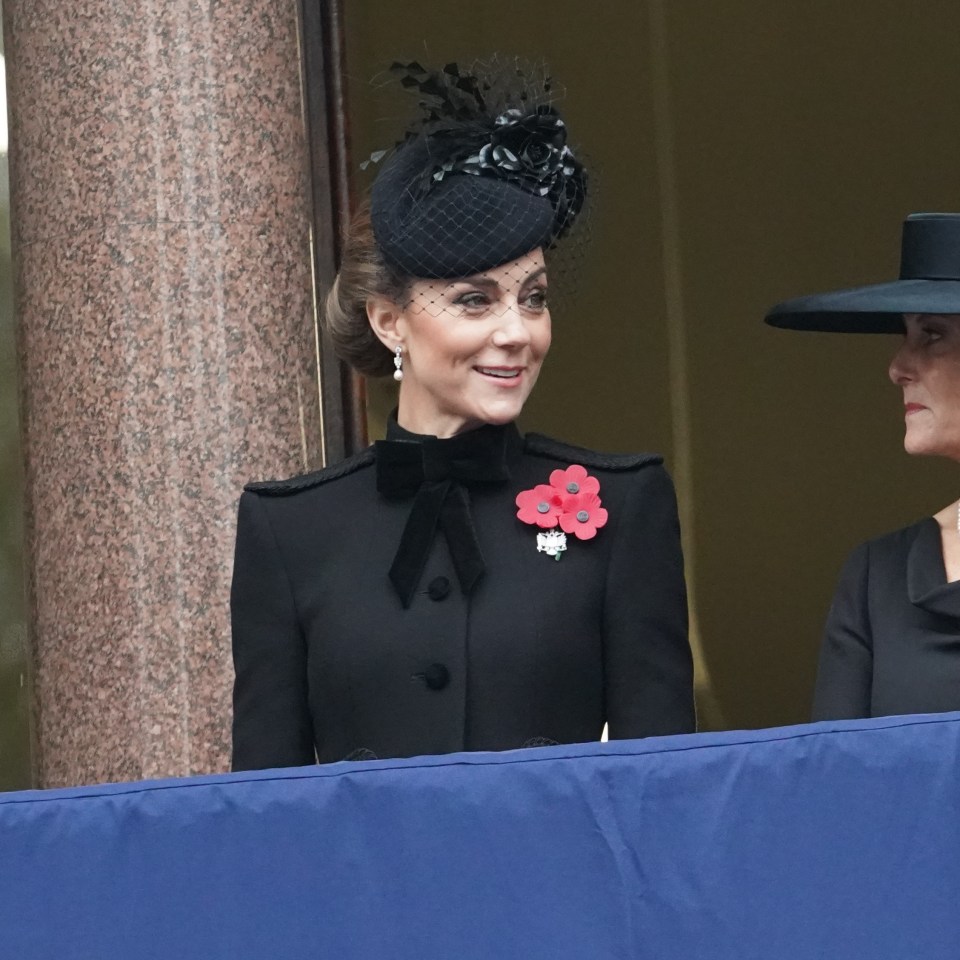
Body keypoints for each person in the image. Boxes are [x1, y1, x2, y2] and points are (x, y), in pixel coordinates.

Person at [231, 61, 695, 769]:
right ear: (390, 321)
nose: (518, 331)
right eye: (475, 301)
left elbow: (666, 792)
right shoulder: (290, 531)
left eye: (533, 298)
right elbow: (263, 815)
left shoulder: (624, 508)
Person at [766, 211, 960, 720]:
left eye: (932, 334)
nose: (898, 367)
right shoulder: (880, 577)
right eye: (904, 334)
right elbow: (838, 783)